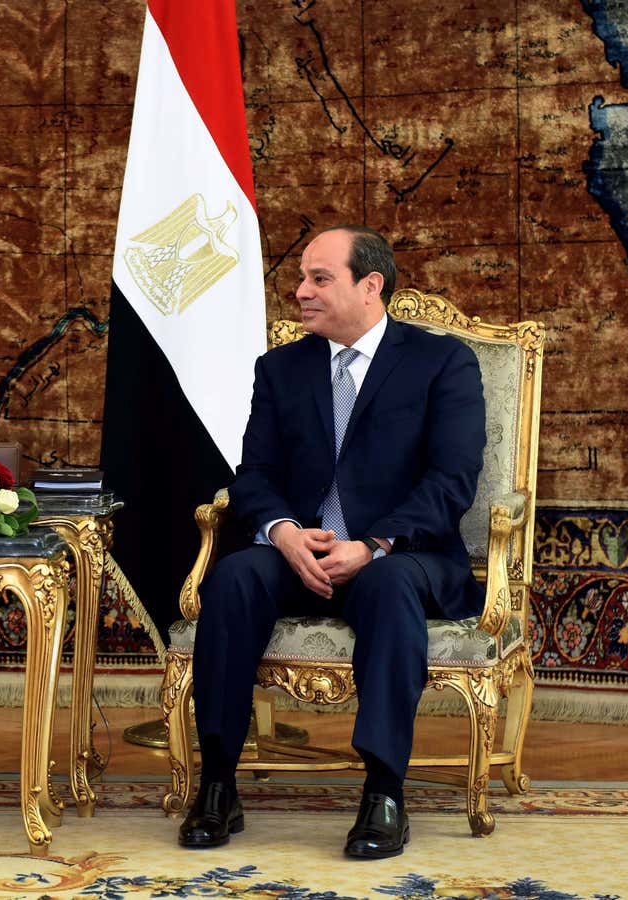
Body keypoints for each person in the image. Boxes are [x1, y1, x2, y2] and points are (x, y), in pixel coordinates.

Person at [178, 225, 486, 858]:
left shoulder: (441, 362)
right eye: (302, 278)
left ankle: (383, 793)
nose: (301, 292)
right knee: (234, 577)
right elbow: (255, 475)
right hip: (300, 554)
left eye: (320, 279)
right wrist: (284, 533)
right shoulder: (281, 369)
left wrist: (374, 543)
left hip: (400, 557)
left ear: (370, 286)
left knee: (389, 582)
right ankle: (216, 784)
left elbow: (451, 482)